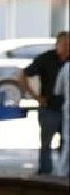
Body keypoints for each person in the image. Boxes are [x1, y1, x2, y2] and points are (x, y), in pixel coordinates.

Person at [16, 31, 69, 174]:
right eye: (65, 45)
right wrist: (36, 96)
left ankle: (64, 172)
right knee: (46, 143)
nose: (67, 49)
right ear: (58, 44)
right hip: (49, 107)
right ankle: (45, 172)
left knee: (66, 142)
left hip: (67, 109)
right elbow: (23, 75)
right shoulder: (46, 58)